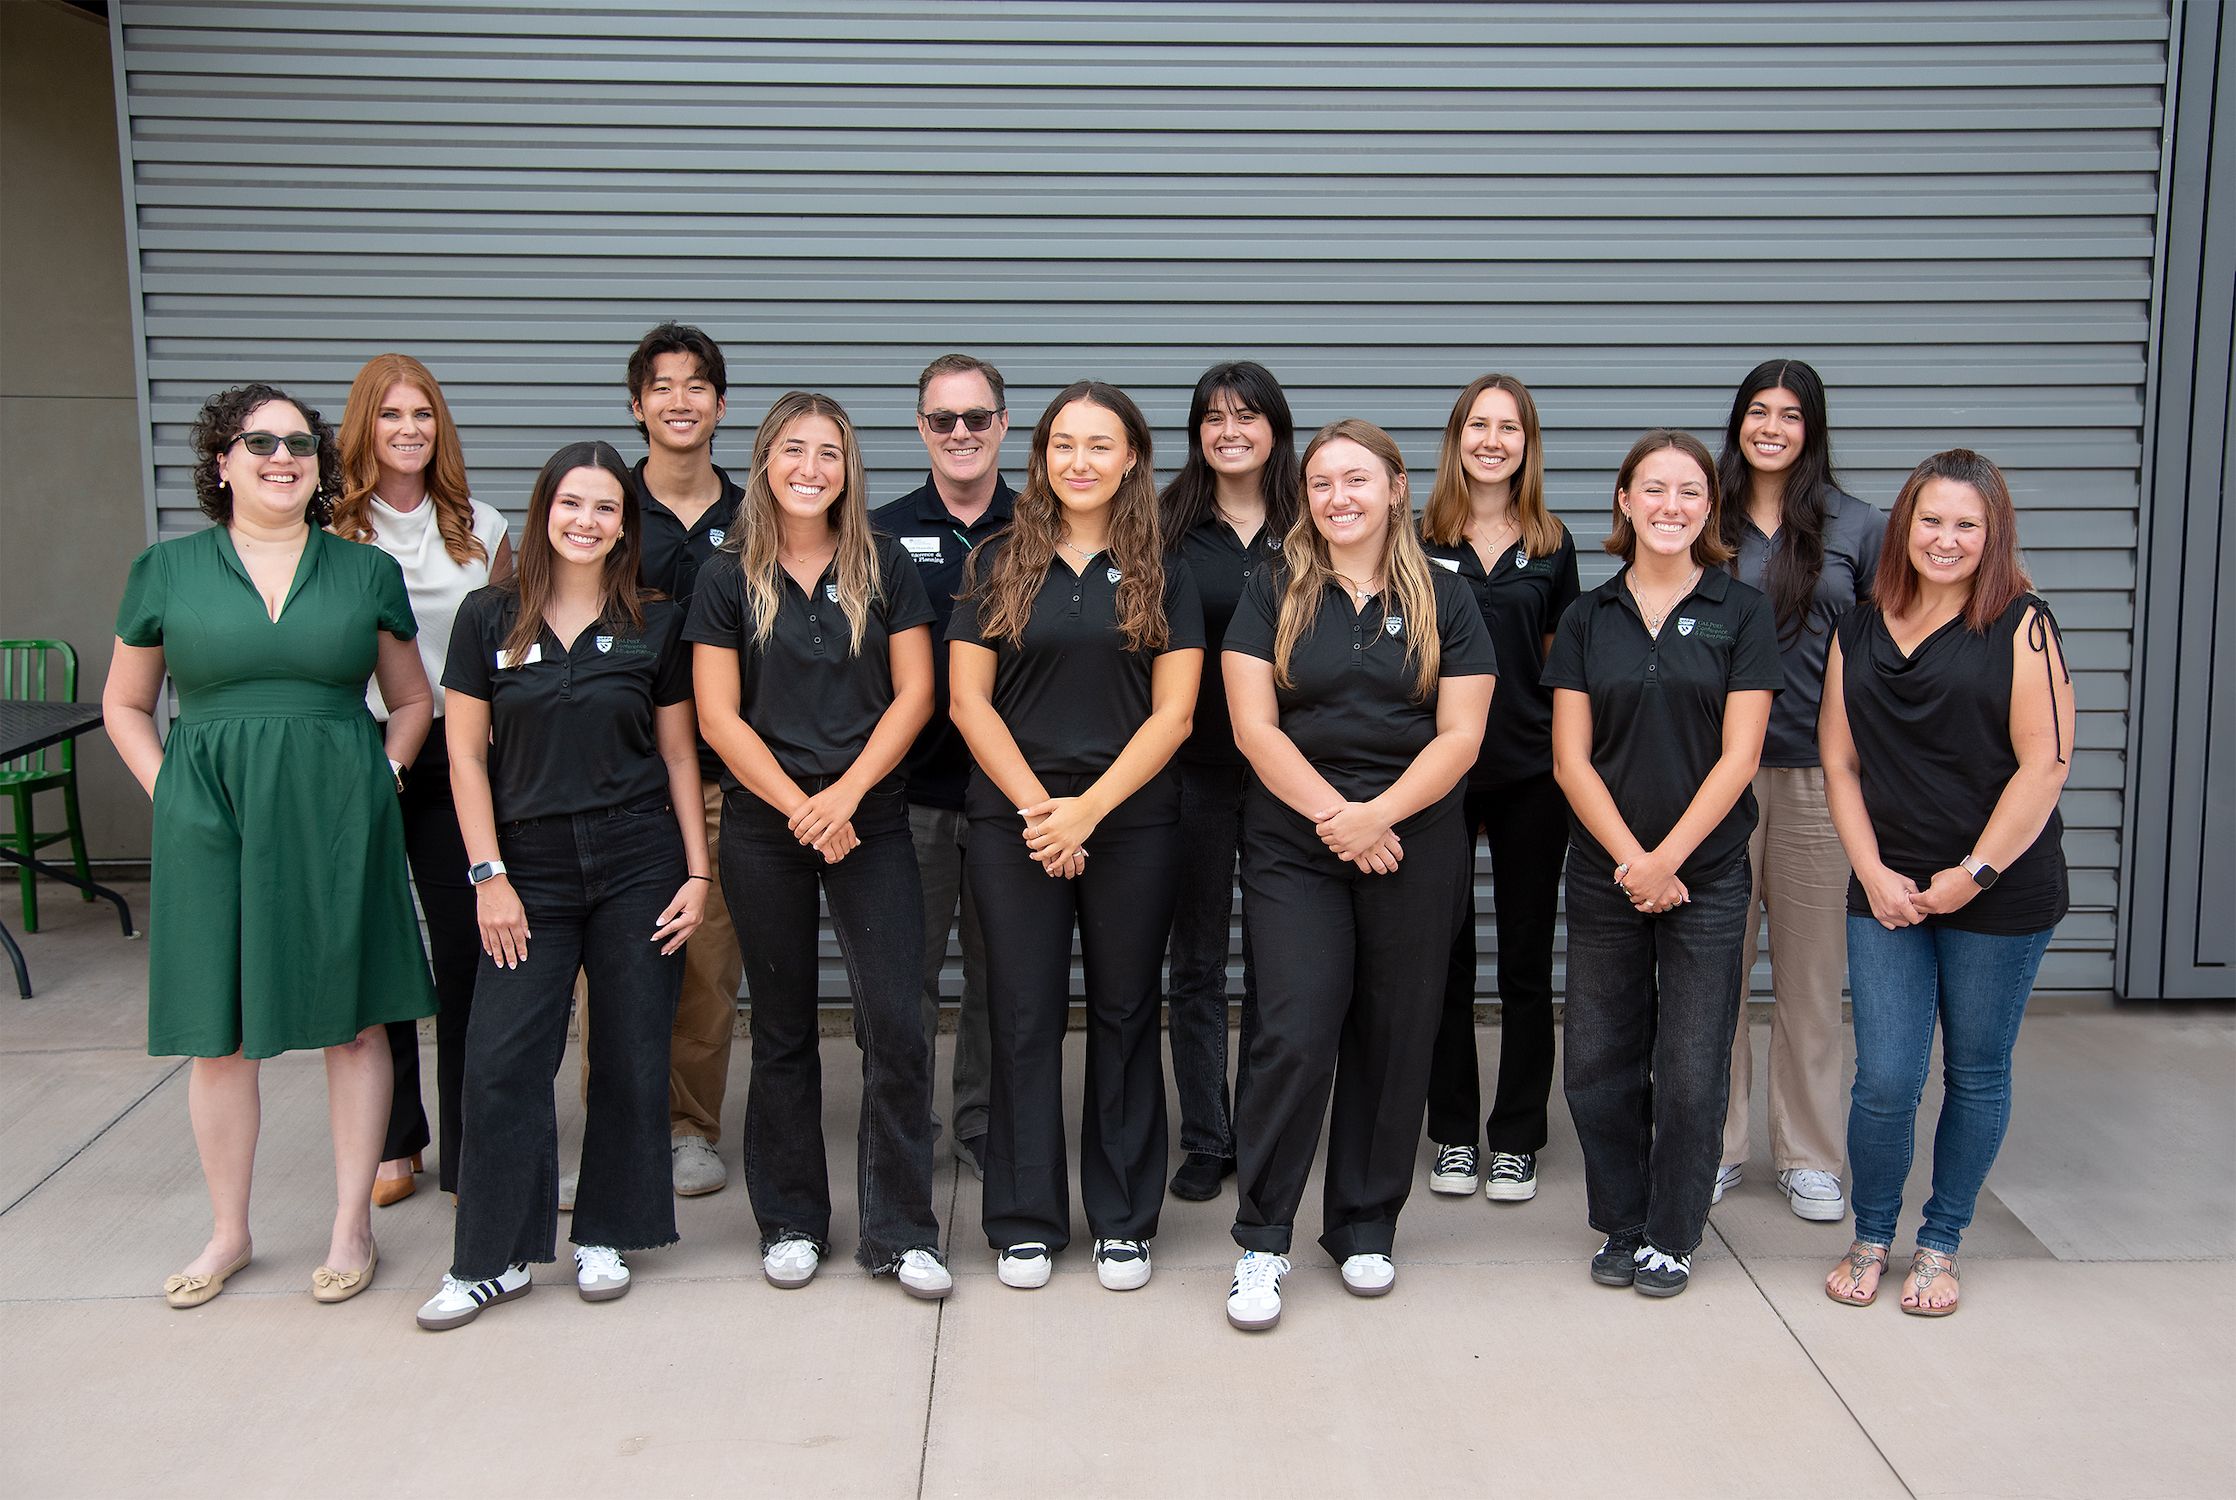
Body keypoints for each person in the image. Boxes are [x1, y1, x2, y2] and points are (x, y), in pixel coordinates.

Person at [104, 382, 437, 1308]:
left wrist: (387, 776)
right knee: (219, 1034)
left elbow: (412, 700)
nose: (282, 457)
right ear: (222, 462)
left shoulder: (363, 571)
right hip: (210, 814)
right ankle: (229, 1232)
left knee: (358, 1019)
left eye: (298, 444)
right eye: (259, 442)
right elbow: (125, 704)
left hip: (339, 813)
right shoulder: (166, 570)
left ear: (320, 466)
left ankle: (349, 1224)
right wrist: (169, 789)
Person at [415, 441, 708, 1331]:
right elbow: (464, 756)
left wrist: (698, 870)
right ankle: (493, 1259)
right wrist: (487, 874)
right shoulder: (486, 617)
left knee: (629, 1056)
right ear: (545, 511)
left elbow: (678, 752)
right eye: (572, 504)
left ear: (626, 524)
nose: (587, 521)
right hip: (527, 866)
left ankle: (606, 1234)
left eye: (607, 508)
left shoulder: (654, 623)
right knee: (503, 1061)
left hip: (639, 859)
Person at [1221, 419, 1496, 1331]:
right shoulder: (1270, 589)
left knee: (1395, 1031)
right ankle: (1262, 1241)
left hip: (1414, 839)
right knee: (1293, 1030)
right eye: (1323, 482)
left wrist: (1380, 815)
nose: (1340, 498)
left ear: (1394, 489)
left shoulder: (1446, 597)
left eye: (1357, 480)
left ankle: (1365, 1225)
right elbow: (1255, 729)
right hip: (1296, 841)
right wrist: (1338, 819)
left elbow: (1461, 734)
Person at [687, 393, 951, 1300]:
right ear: (764, 462)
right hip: (768, 826)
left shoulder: (882, 566)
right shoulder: (728, 574)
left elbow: (916, 694)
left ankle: (902, 1228)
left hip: (869, 820)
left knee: (897, 1024)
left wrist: (841, 797)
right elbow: (718, 716)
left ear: (849, 468)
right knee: (786, 1027)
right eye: (793, 451)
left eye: (828, 453)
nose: (810, 468)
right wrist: (800, 804)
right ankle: (792, 1220)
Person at [948, 380, 1204, 1293]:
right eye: (1064, 444)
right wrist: (1039, 812)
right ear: (1041, 456)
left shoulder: (1166, 570)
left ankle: (1125, 1220)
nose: (1080, 462)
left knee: (1128, 1013)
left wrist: (1088, 809)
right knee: (1021, 1014)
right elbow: (966, 702)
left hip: (1130, 821)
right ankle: (1023, 1217)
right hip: (1015, 821)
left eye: (1100, 445)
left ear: (1132, 457)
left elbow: (1174, 716)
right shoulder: (994, 562)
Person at [1818, 449, 2070, 1317]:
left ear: (1993, 532)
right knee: (1885, 1078)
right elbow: (1839, 763)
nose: (1947, 539)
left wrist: (1974, 873)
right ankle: (1872, 1231)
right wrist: (1871, 871)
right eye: (1931, 520)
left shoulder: (2023, 623)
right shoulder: (1858, 627)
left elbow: (2044, 768)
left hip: (1997, 890)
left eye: (1968, 523)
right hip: (1887, 886)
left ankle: (1942, 1239)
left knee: (1975, 1070)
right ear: (1904, 524)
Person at [1546, 430, 1779, 1299]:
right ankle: (1623, 1221)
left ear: (1708, 509)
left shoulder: (1740, 612)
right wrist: (1631, 860)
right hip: (1604, 871)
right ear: (1624, 501)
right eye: (1653, 489)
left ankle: (1674, 1232)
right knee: (1598, 1062)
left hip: (1707, 877)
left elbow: (1740, 754)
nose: (1670, 506)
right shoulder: (1586, 617)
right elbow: (1571, 760)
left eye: (1689, 491)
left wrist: (1669, 859)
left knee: (1690, 1064)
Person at [334, 353, 513, 1208]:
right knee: (377, 944)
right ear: (363, 427)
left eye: (424, 415)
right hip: (356, 747)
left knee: (466, 950)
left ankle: (477, 1140)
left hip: (458, 752)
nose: (409, 430)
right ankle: (395, 1140)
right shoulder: (329, 530)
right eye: (391, 415)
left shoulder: (481, 525)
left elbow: (512, 650)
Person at [1711, 358, 1886, 1222]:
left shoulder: (1857, 524)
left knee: (1813, 978)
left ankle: (1811, 1154)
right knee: (1716, 973)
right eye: (1757, 411)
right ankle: (1714, 1140)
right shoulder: (1703, 511)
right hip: (1719, 777)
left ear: (1812, 427)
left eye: (1789, 414)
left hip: (1822, 779)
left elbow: (1892, 648)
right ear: (1738, 421)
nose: (1771, 427)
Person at [1418, 374, 1579, 1205]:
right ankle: (1450, 1130)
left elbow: (1563, 665)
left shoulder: (1552, 545)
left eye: (1508, 428)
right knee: (1442, 955)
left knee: (1522, 958)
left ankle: (1515, 1135)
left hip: (1528, 774)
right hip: (1440, 772)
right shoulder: (1416, 538)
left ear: (1527, 442)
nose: (1492, 440)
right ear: (1457, 437)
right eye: (1478, 425)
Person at [1157, 360, 1300, 1201]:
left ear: (1274, 428)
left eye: (1247, 416)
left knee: (1286, 963)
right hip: (1194, 773)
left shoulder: (1312, 518)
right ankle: (1208, 1136)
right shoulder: (1167, 521)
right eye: (1213, 417)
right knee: (1199, 962)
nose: (1230, 431)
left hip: (1291, 772)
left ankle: (1271, 1127)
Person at [871, 353, 1015, 1180]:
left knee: (1001, 977)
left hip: (1009, 797)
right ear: (921, 427)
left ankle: (986, 1124)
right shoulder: (882, 532)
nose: (959, 433)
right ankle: (905, 1129)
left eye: (975, 417)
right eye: (941, 419)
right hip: (911, 798)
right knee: (904, 981)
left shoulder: (1041, 527)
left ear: (1002, 424)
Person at [623, 321, 746, 1200]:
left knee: (706, 966)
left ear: (720, 405)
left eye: (696, 385)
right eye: (662, 385)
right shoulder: (597, 507)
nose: (680, 400)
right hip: (616, 781)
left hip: (718, 776)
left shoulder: (756, 517)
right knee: (617, 966)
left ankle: (690, 1128)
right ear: (637, 405)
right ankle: (622, 1127)